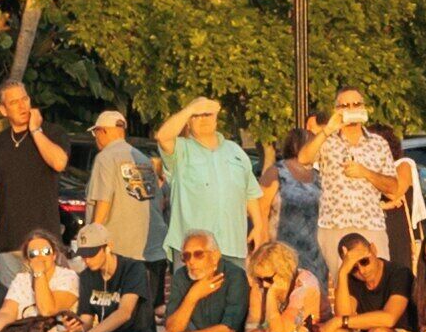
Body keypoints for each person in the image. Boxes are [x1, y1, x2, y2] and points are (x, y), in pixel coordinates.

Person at [310, 90, 412, 276]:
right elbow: (303, 159)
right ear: (336, 110)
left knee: (376, 280)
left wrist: (365, 173)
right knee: (342, 284)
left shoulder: (378, 144)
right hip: (334, 225)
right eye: (345, 105)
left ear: (364, 107)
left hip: (370, 224)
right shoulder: (327, 141)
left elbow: (393, 188)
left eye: (356, 104)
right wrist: (326, 131)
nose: (352, 109)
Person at [157, 98, 258, 278]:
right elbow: (162, 136)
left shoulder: (235, 151)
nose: (203, 119)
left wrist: (259, 226)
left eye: (207, 114)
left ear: (216, 119)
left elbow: (250, 192)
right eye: (197, 116)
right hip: (192, 251)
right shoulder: (181, 150)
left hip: (232, 246)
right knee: (193, 303)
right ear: (188, 121)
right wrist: (190, 108)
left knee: (233, 304)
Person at [0, 83, 69, 252]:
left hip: (44, 241)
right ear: (3, 110)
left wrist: (35, 130)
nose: (22, 106)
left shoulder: (52, 133)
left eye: (25, 99)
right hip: (8, 242)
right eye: (14, 102)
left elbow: (59, 163)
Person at [82, 110, 162, 265]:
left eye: (95, 133)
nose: (96, 139)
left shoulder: (105, 158)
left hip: (120, 251)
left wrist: (93, 244)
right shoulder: (143, 159)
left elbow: (103, 201)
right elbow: (158, 202)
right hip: (152, 249)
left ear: (103, 131)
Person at [258, 122, 324, 281]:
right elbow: (262, 207)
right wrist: (263, 242)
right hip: (281, 244)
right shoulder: (277, 172)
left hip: (312, 248)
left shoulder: (317, 176)